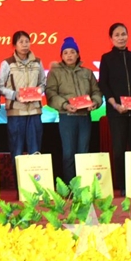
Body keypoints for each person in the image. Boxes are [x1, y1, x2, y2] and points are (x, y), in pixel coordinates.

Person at [98, 22, 131, 194]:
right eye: (117, 35)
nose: (121, 38)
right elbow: (103, 84)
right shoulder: (106, 58)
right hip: (117, 112)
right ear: (111, 38)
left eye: (123, 34)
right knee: (119, 149)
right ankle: (122, 185)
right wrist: (115, 104)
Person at [45, 37, 103, 183]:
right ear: (61, 56)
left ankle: (83, 185)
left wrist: (95, 102)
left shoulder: (87, 73)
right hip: (67, 117)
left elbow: (97, 92)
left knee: (83, 153)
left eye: (72, 52)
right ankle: (70, 187)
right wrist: (65, 105)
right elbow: (51, 94)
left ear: (78, 54)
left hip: (84, 117)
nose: (69, 55)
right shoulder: (55, 73)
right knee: (69, 154)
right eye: (65, 53)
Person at [0, 31, 46, 175]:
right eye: (21, 42)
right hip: (16, 112)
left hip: (34, 111)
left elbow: (43, 83)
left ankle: (35, 182)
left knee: (35, 150)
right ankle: (18, 182)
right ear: (14, 45)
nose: (24, 45)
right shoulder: (7, 63)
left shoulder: (37, 62)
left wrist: (38, 91)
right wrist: (14, 95)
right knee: (16, 150)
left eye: (27, 41)